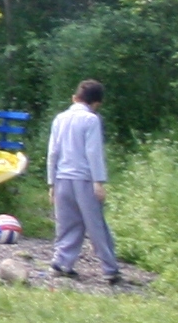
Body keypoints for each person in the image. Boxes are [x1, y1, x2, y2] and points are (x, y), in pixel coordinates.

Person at [47, 77, 123, 284]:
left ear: (75, 98)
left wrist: (51, 183)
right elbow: (93, 152)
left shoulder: (59, 119)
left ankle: (61, 263)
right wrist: (99, 182)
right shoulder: (91, 120)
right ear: (96, 103)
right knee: (95, 224)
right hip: (84, 179)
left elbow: (53, 152)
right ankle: (109, 268)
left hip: (62, 178)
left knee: (67, 224)